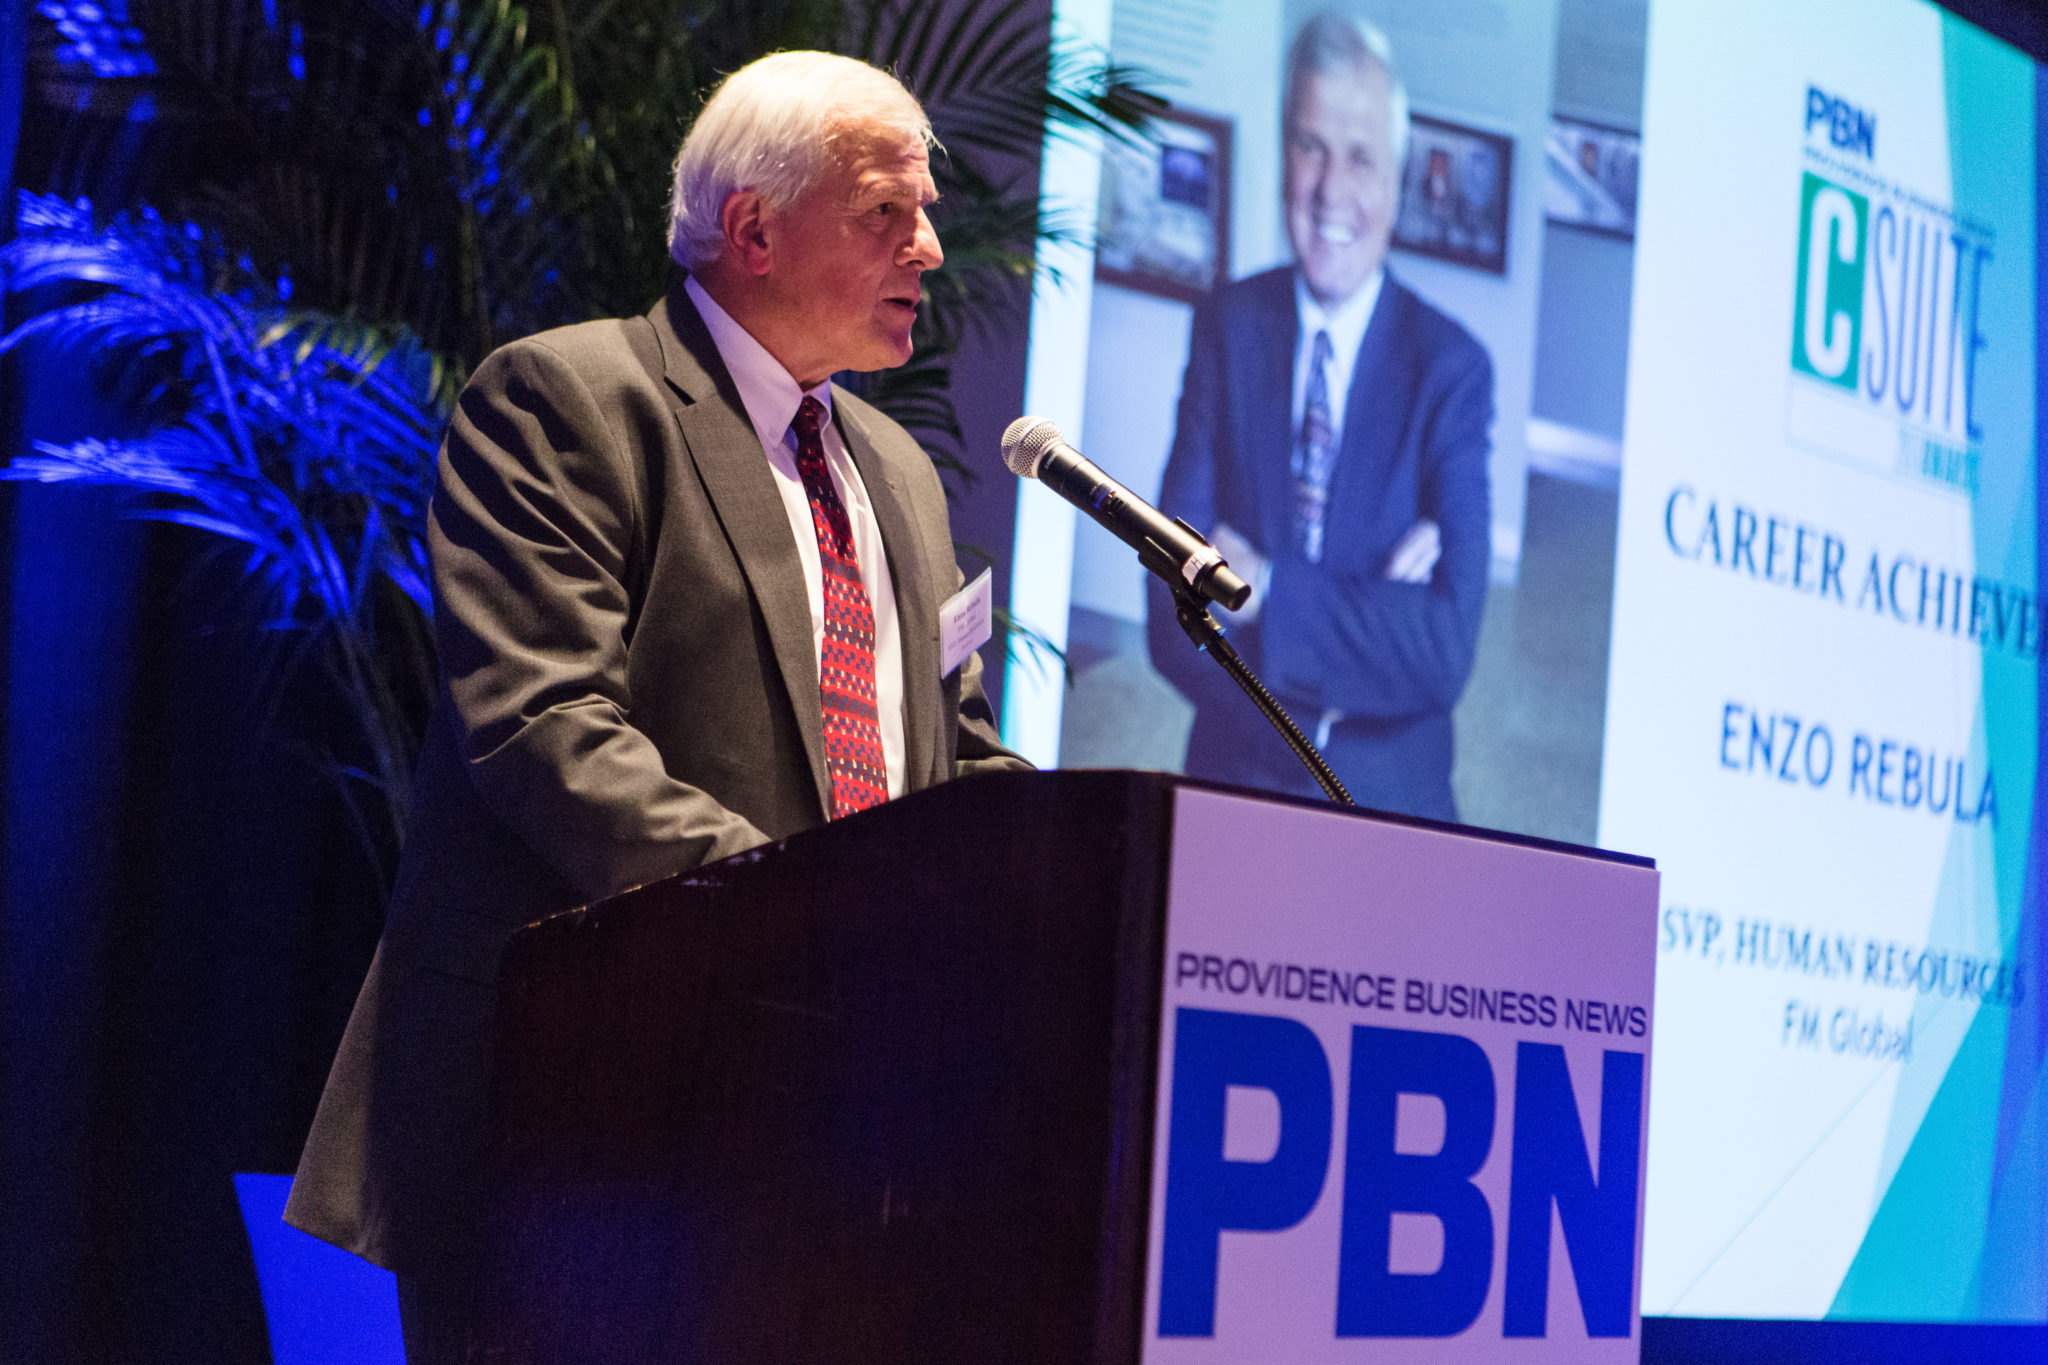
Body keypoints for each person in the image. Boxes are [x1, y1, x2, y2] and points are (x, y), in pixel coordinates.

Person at [283, 51, 1027, 1361]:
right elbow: (549, 735)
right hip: (573, 1136)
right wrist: (826, 914)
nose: (930, 243)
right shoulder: (571, 402)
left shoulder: (899, 476)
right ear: (752, 227)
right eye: (885, 212)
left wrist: (1080, 861)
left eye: (926, 210)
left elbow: (945, 764)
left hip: (820, 1142)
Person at [1146, 12, 1494, 823]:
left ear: (1398, 180)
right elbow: (1171, 614)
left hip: (1391, 804)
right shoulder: (1227, 329)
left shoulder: (1452, 369)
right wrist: (1354, 648)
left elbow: (1445, 651)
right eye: (1309, 146)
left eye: (1361, 156)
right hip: (1236, 777)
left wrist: (1262, 589)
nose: (1330, 189)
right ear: (1281, 158)